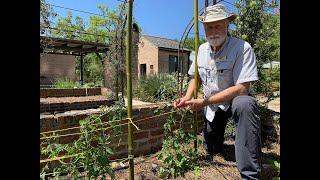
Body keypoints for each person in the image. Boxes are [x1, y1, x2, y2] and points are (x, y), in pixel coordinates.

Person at [173, 3, 262, 180]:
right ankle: (216, 141)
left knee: (245, 104)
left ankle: (250, 173)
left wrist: (204, 102)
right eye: (208, 27)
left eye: (217, 25)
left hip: (235, 101)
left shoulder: (242, 48)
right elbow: (195, 78)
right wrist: (187, 97)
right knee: (212, 148)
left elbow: (242, 88)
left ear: (227, 24)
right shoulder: (201, 50)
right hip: (213, 107)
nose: (213, 30)